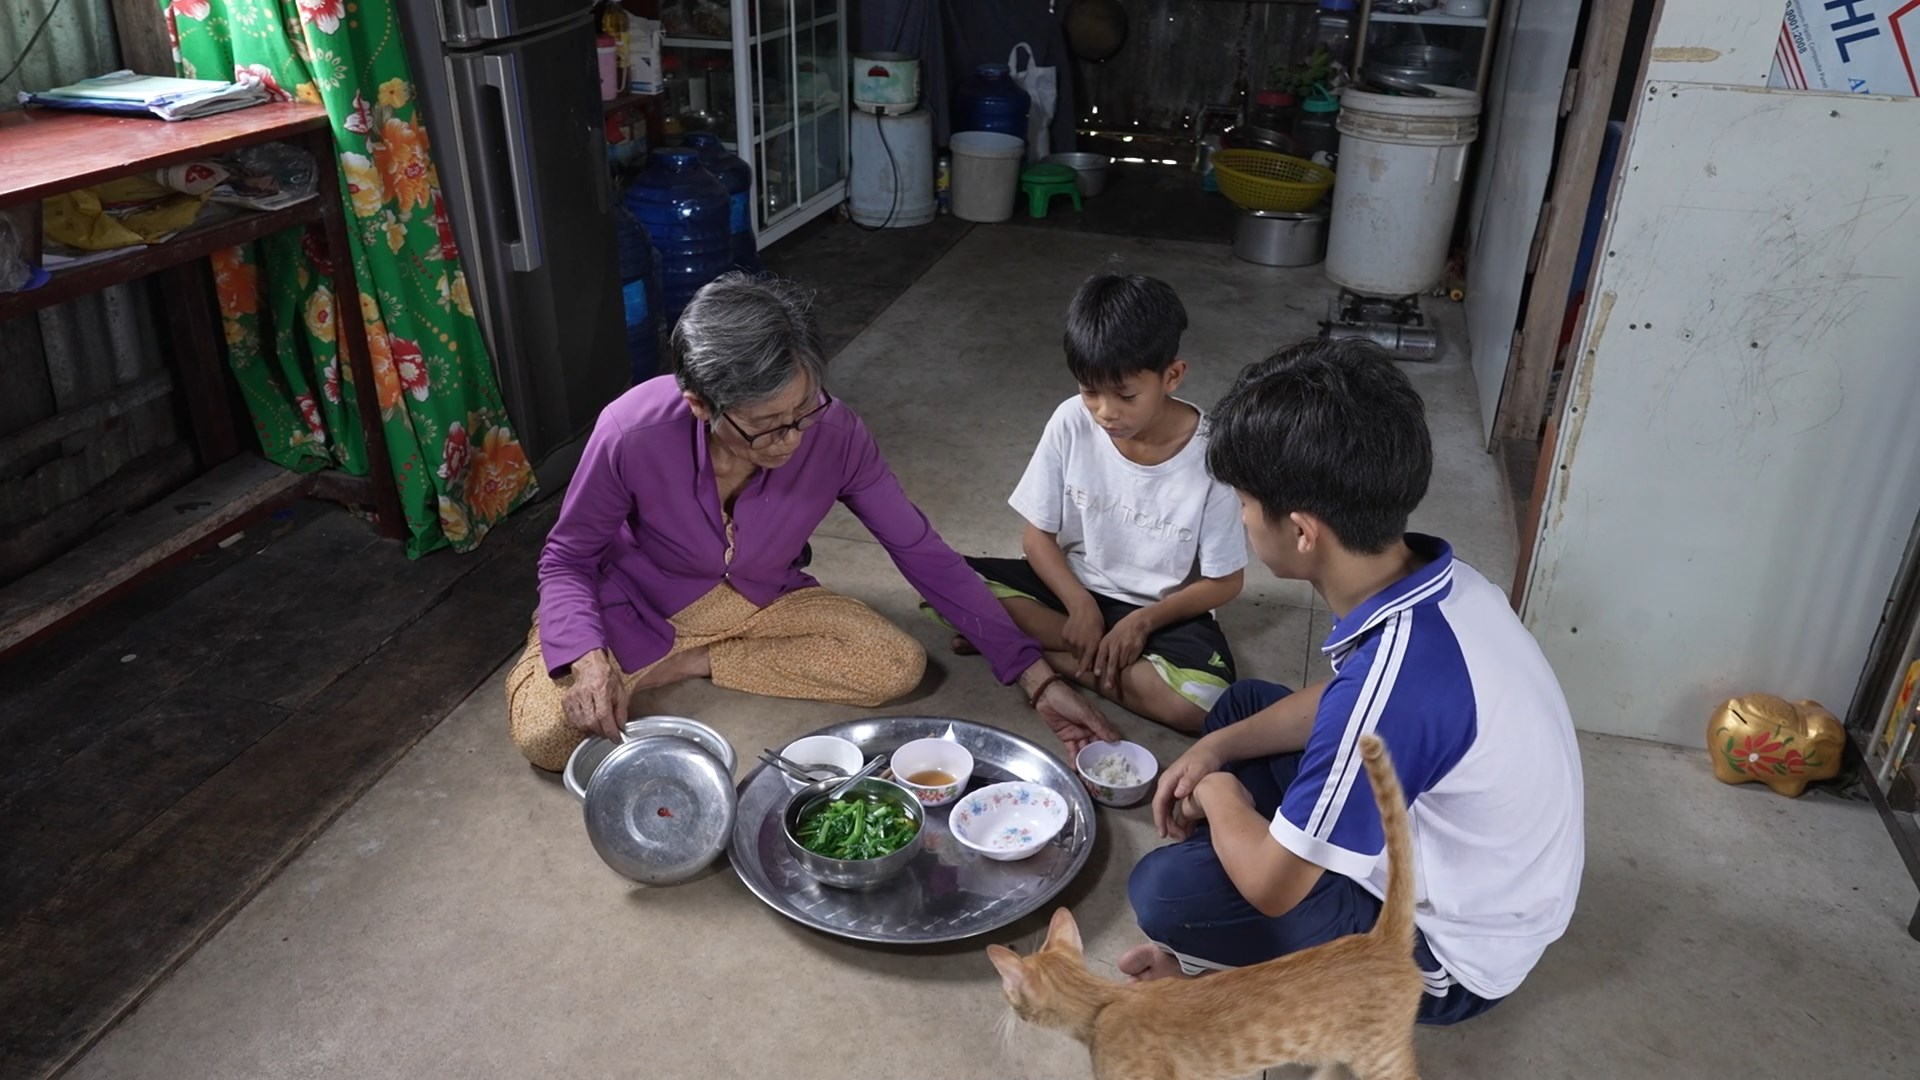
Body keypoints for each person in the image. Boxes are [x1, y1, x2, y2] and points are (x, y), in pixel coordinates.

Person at [1120, 339, 1584, 1025]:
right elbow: (1349, 702)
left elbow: (1274, 888)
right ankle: (1260, 849)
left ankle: (1248, 954)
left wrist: (1218, 794)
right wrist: (1213, 750)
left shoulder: (1393, 690)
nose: (1242, 518)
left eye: (1245, 503)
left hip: (1448, 959)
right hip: (1472, 871)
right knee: (1243, 712)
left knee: (1167, 892)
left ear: (1302, 532)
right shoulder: (1442, 584)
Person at [506, 274, 1117, 771]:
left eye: (804, 409)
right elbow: (566, 558)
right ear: (700, 404)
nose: (793, 438)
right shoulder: (631, 431)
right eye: (767, 425)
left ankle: (687, 662)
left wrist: (1036, 678)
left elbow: (921, 551)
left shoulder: (836, 432)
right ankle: (631, 659)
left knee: (896, 665)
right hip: (639, 600)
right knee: (546, 737)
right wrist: (588, 658)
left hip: (761, 600)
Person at [951, 274, 1246, 733]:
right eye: (1090, 392)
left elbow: (1225, 582)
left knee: (1205, 706)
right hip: (1070, 590)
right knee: (950, 586)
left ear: (1172, 376)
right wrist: (1080, 606)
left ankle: (1043, 654)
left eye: (1125, 395)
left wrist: (1143, 622)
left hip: (1161, 614)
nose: (1106, 411)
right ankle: (1092, 653)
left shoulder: (1213, 454)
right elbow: (1037, 538)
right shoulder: (1071, 421)